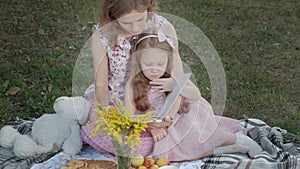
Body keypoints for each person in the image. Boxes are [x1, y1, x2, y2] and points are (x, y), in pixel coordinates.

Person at [80, 0, 199, 156]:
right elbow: (101, 85)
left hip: (155, 94)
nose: (135, 28)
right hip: (117, 98)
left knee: (191, 121)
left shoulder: (162, 26)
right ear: (113, 17)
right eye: (127, 23)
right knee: (118, 138)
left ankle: (158, 137)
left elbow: (176, 71)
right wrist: (108, 110)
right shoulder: (102, 36)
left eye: (140, 20)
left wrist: (167, 113)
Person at [125, 32, 263, 161]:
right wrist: (153, 127)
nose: (155, 69)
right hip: (158, 124)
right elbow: (129, 114)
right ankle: (226, 149)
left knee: (193, 135)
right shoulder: (133, 84)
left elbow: (196, 95)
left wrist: (175, 85)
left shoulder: (172, 76)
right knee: (166, 155)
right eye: (148, 64)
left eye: (160, 64)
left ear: (168, 62)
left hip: (182, 116)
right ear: (138, 62)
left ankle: (235, 140)